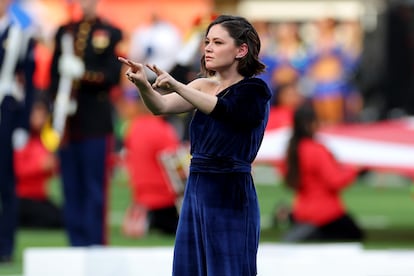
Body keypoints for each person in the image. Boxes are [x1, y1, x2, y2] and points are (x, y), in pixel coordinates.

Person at [119, 14, 271, 275]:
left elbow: (224, 109)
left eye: (218, 42)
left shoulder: (255, 90)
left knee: (228, 268)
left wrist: (177, 85)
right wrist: (145, 85)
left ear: (241, 50)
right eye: (207, 41)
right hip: (197, 188)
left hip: (231, 191)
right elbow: (161, 106)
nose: (208, 48)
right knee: (191, 268)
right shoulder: (202, 84)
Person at [48, 0, 123, 246]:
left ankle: (95, 243)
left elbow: (112, 76)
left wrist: (84, 73)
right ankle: (75, 243)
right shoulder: (65, 32)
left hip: (95, 123)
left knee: (94, 187)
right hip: (69, 123)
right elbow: (53, 78)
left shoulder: (109, 32)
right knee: (71, 186)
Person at [281, 104, 364, 242]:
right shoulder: (316, 149)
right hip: (326, 212)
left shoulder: (292, 149)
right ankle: (313, 233)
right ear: (311, 123)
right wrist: (353, 169)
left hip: (301, 210)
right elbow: (335, 181)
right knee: (354, 235)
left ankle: (299, 224)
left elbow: (288, 178)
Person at [0, 0, 36, 264]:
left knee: (5, 183)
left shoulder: (20, 33)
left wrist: (23, 123)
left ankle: (6, 246)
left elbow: (29, 81)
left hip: (6, 111)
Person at [117, 90, 181, 238]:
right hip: (165, 198)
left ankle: (142, 217)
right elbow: (176, 165)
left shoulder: (132, 128)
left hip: (141, 197)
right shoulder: (163, 130)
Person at [14, 93, 62, 229]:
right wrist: (39, 166)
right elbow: (15, 169)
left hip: (40, 198)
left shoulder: (43, 141)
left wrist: (54, 166)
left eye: (43, 115)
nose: (39, 120)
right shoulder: (20, 138)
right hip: (23, 198)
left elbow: (51, 172)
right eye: (36, 114)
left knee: (64, 216)